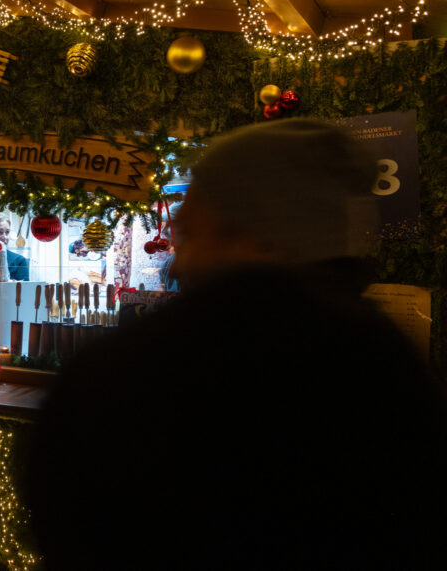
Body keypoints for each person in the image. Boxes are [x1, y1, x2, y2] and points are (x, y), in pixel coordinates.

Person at [30, 120, 447, 569]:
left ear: (250, 231)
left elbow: (65, 501)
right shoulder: (383, 354)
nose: (182, 232)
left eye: (197, 216)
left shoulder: (157, 357)